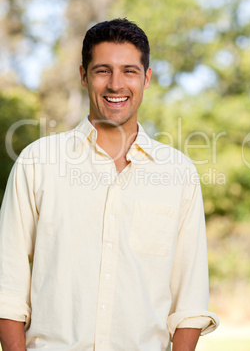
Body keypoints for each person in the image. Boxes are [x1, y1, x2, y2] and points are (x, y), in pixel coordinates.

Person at [0, 18, 219, 351]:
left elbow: (188, 301)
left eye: (129, 71)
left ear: (146, 78)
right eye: (103, 70)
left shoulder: (179, 174)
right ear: (84, 75)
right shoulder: (37, 162)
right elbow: (7, 288)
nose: (116, 84)